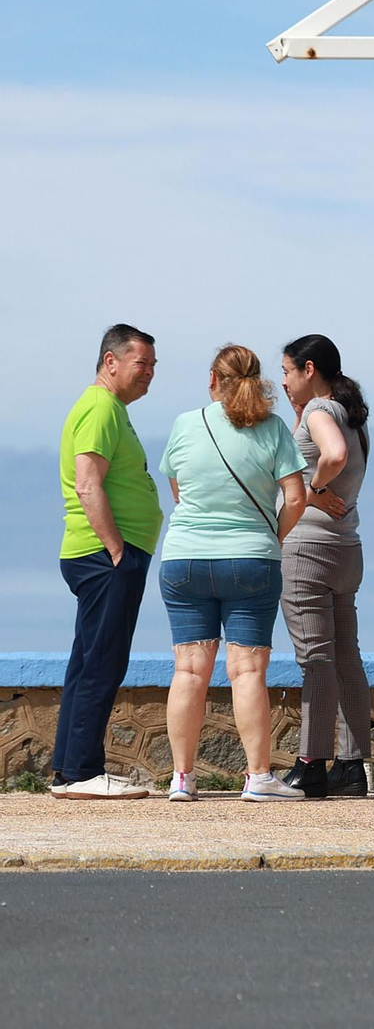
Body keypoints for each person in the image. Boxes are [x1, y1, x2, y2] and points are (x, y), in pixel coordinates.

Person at [157, 345, 308, 802]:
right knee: (246, 672)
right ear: (258, 380)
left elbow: (178, 489)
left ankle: (182, 779)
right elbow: (297, 498)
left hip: (183, 559)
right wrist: (271, 539)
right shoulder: (274, 428)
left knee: (188, 670)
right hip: (251, 560)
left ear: (211, 380)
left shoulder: (186, 424)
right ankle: (258, 777)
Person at [52, 325, 163, 799]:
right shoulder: (100, 407)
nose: (150, 375)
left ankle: (70, 769)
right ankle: (80, 773)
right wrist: (117, 550)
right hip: (104, 556)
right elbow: (87, 483)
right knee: (102, 661)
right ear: (111, 361)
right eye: (143, 364)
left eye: (154, 367)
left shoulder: (109, 408)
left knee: (88, 660)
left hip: (101, 554)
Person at [277, 334, 372, 798]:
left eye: (287, 371)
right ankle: (352, 767)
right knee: (346, 655)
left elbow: (330, 456)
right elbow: (341, 455)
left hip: (308, 549)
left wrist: (311, 490)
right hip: (345, 549)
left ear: (308, 369)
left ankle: (311, 763)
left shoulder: (320, 411)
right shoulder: (352, 415)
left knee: (315, 657)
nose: (283, 380)